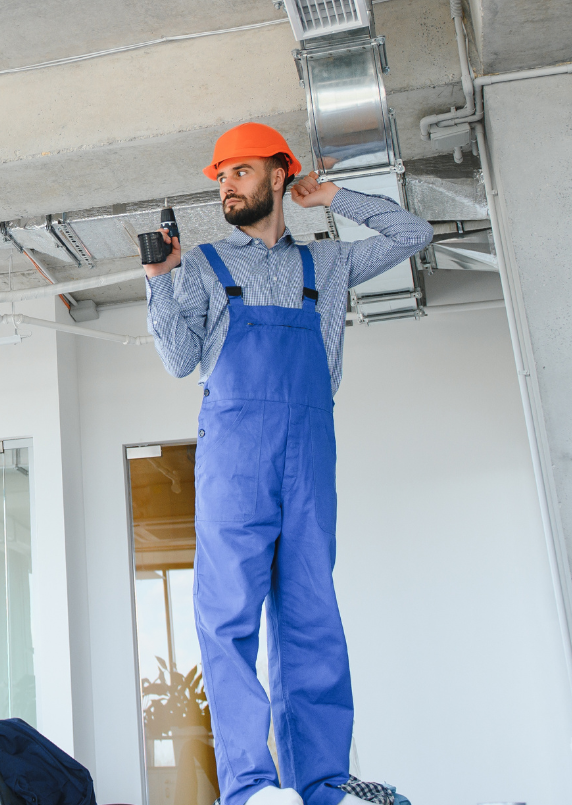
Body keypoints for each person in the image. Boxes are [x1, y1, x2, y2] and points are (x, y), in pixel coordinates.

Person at [144, 122, 432, 805]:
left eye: (239, 172)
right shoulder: (207, 265)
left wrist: (334, 196)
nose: (225, 187)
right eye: (219, 178)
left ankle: (325, 784)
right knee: (229, 617)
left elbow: (411, 235)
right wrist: (160, 278)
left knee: (310, 615)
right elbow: (182, 360)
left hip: (307, 451)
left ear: (279, 175)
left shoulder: (328, 264)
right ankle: (250, 789)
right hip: (235, 457)